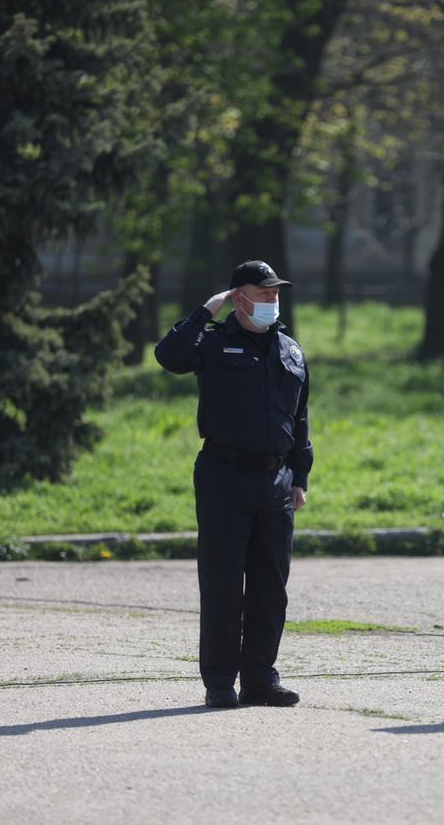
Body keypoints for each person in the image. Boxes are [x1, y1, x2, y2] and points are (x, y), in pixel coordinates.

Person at [154, 260, 312, 709]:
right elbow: (169, 357)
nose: (271, 301)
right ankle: (220, 681)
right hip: (225, 475)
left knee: (270, 588)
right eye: (262, 294)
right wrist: (207, 310)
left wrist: (300, 475)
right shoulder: (214, 342)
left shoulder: (290, 350)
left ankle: (261, 678)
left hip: (276, 480)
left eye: (275, 293)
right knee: (224, 583)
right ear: (238, 298)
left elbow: (299, 419)